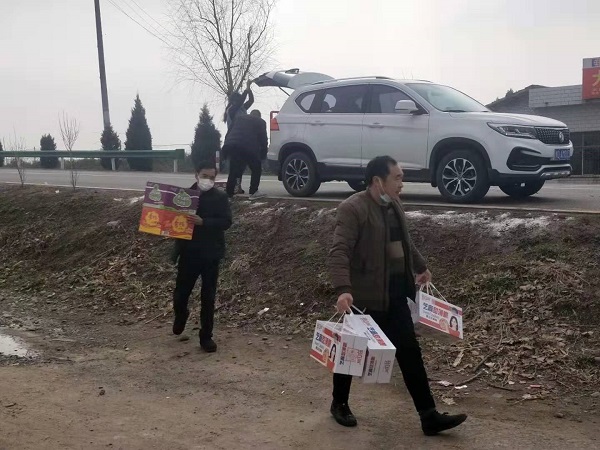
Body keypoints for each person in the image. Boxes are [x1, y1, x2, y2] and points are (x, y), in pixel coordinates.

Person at [327, 155, 467, 436]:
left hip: (395, 294)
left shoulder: (393, 204)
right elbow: (339, 251)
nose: (402, 183)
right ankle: (339, 403)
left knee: (410, 352)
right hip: (365, 297)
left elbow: (405, 241)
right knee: (352, 352)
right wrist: (343, 289)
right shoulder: (352, 209)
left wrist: (420, 266)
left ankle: (428, 415)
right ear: (378, 181)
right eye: (398, 178)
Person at [171, 160, 232, 352]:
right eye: (205, 176)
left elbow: (226, 222)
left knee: (208, 297)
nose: (208, 180)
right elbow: (172, 220)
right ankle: (181, 314)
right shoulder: (183, 196)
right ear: (196, 175)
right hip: (188, 253)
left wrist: (204, 222)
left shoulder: (220, 197)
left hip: (211, 254)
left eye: (212, 177)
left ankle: (206, 336)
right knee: (180, 294)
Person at [223, 109, 268, 200]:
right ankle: (253, 192)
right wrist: (263, 156)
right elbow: (263, 140)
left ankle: (229, 194)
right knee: (256, 168)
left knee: (233, 170)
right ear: (259, 116)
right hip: (249, 146)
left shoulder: (238, 118)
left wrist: (226, 146)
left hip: (232, 145)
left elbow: (228, 133)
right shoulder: (261, 122)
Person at [223, 81, 254, 195]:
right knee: (234, 168)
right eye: (239, 100)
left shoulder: (242, 109)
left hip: (243, 141)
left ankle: (238, 187)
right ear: (234, 101)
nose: (241, 102)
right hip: (233, 142)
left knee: (241, 167)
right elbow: (241, 101)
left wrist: (249, 90)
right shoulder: (232, 110)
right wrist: (246, 88)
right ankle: (229, 191)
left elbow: (251, 101)